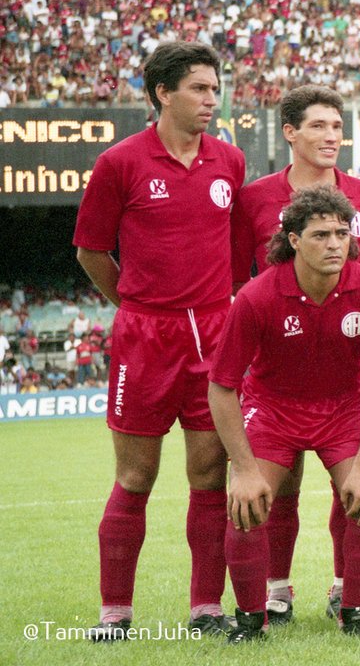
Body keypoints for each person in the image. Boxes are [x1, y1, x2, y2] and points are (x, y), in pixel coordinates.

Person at [73, 41, 245, 641]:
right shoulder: (121, 162)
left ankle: (205, 608)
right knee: (136, 476)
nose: (210, 99)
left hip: (215, 332)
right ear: (162, 93)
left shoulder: (230, 160)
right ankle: (115, 614)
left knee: (209, 473)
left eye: (214, 87)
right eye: (198, 88)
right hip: (146, 336)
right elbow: (90, 250)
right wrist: (133, 307)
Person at [208, 185, 360, 643]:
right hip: (273, 410)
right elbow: (221, 387)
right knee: (247, 504)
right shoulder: (256, 297)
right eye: (320, 235)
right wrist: (244, 467)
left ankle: (355, 613)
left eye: (342, 233)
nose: (336, 243)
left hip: (344, 408)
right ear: (293, 239)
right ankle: (252, 620)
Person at [230, 84, 360, 622]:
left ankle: (346, 588)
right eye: (318, 126)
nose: (330, 137)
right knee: (282, 486)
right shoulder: (253, 199)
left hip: (348, 369)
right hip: (277, 371)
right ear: (290, 132)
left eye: (338, 127)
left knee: (357, 490)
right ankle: (275, 587)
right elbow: (238, 278)